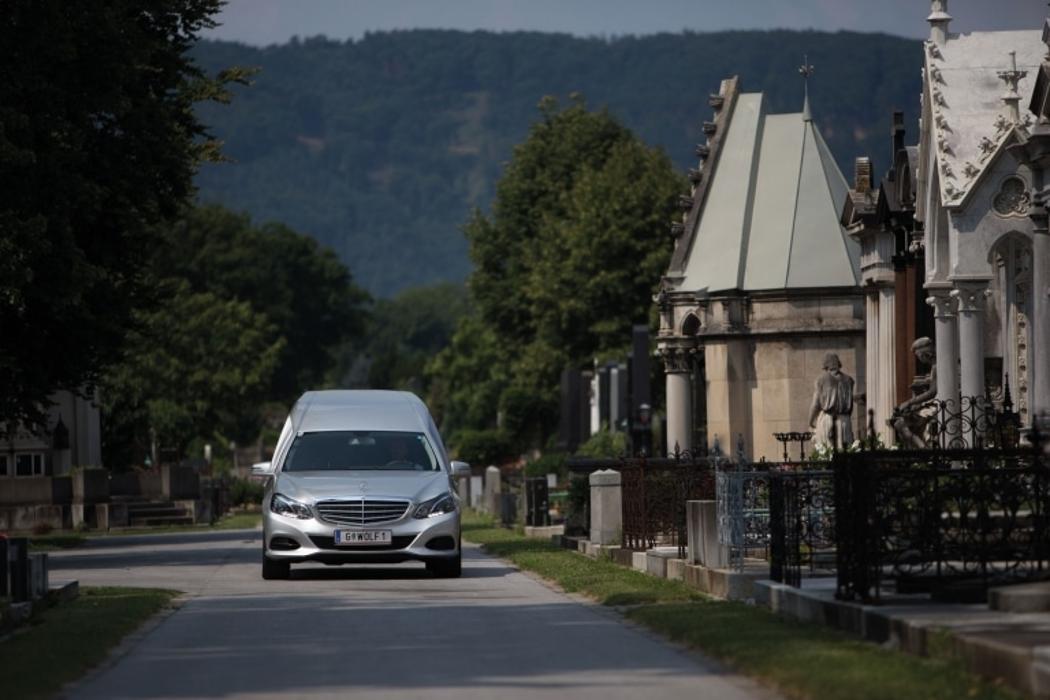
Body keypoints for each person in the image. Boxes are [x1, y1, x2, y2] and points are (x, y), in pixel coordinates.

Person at [891, 337, 938, 448]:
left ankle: (925, 451)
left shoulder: (936, 366)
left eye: (918, 356)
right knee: (901, 422)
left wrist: (910, 402)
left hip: (938, 405)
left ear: (925, 354)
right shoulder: (934, 366)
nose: (919, 359)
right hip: (935, 403)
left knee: (901, 423)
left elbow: (932, 392)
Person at [808, 353, 855, 449]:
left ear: (826, 365)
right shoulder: (849, 380)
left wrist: (810, 421)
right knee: (845, 453)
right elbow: (851, 406)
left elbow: (815, 404)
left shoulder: (821, 380)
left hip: (827, 418)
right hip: (844, 420)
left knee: (826, 452)